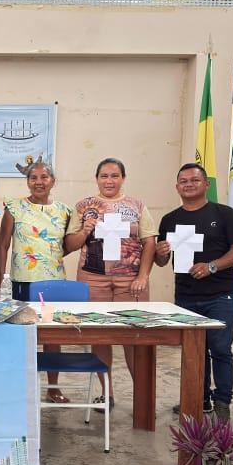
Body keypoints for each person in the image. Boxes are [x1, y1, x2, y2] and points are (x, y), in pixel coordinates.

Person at [155, 163, 233, 422]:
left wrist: (211, 266)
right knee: (194, 350)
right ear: (177, 187)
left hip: (219, 294)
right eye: (183, 181)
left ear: (206, 184)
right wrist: (160, 254)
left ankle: (223, 401)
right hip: (185, 296)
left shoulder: (224, 214)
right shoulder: (170, 219)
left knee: (219, 349)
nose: (189, 184)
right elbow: (162, 262)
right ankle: (199, 397)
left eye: (194, 180)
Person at [64, 158, 157, 409]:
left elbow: (149, 241)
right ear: (96, 179)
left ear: (123, 178)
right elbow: (69, 245)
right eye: (104, 176)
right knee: (100, 336)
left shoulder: (137, 205)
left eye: (115, 176)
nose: (109, 181)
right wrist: (85, 230)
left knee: (133, 337)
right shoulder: (83, 206)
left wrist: (143, 276)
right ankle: (107, 393)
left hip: (130, 280)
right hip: (93, 279)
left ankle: (142, 396)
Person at [0, 161, 74, 403]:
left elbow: (66, 246)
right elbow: (3, 246)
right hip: (23, 282)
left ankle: (53, 388)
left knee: (52, 337)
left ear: (53, 181)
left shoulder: (64, 211)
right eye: (33, 178)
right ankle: (17, 388)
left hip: (53, 284)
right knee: (19, 336)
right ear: (28, 181)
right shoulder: (14, 208)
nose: (39, 182)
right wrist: (1, 283)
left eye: (44, 177)